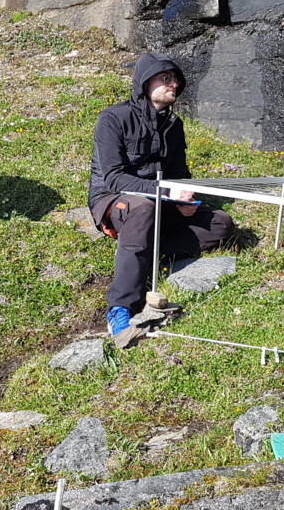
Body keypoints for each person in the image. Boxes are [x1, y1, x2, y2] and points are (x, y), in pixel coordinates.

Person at [89, 52, 237, 347]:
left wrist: (184, 198)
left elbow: (179, 173)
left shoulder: (174, 125)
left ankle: (143, 251)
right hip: (114, 199)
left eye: (176, 80)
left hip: (160, 201)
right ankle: (120, 308)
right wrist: (167, 193)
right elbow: (114, 178)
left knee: (222, 224)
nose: (174, 84)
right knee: (143, 207)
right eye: (165, 78)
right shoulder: (113, 119)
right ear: (145, 83)